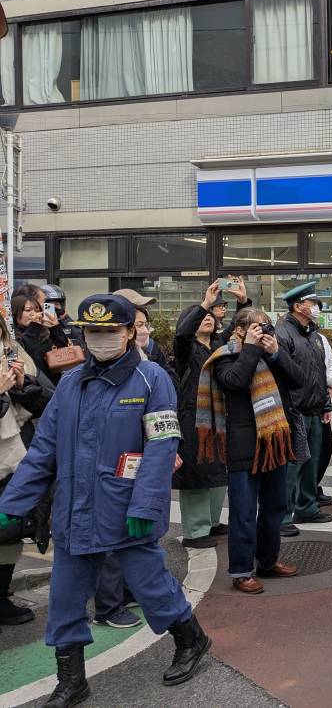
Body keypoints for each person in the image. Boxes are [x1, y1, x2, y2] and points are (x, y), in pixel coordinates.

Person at [0, 294, 210, 705]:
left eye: (109, 331)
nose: (100, 339)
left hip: (126, 509)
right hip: (74, 512)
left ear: (130, 332)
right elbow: (44, 451)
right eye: (92, 332)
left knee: (151, 587)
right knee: (64, 597)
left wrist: (146, 506)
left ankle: (192, 640)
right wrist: (13, 504)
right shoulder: (71, 384)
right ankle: (72, 679)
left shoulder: (152, 379)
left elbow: (161, 447)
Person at [201, 307, 303, 594]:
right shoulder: (224, 356)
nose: (264, 332)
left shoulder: (272, 354)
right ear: (240, 330)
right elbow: (235, 381)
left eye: (267, 327)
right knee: (243, 512)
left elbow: (298, 380)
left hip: (274, 443)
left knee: (274, 508)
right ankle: (242, 570)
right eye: (258, 328)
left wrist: (275, 353)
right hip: (242, 445)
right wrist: (250, 350)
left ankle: (268, 562)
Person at [0, 315, 53, 631]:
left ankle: (1, 597)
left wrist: (21, 385)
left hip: (12, 455)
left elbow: (43, 401)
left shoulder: (11, 349)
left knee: (9, 532)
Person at [172, 283, 229, 550]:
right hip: (193, 419)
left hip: (219, 418)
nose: (207, 318)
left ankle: (212, 521)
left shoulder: (219, 346)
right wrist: (204, 304)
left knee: (218, 471)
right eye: (201, 316)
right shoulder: (187, 350)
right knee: (196, 474)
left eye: (210, 316)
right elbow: (182, 335)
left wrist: (243, 301)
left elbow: (239, 333)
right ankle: (195, 531)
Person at [276, 281, 332, 533]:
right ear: (298, 306)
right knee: (290, 467)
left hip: (314, 408)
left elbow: (319, 373)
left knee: (311, 464)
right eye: (313, 304)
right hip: (294, 410)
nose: (317, 308)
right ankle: (282, 516)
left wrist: (326, 404)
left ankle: (306, 507)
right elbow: (281, 374)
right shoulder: (283, 333)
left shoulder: (313, 335)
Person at [13, 293, 74, 385]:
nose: (34, 314)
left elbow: (64, 351)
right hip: (33, 387)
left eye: (37, 310)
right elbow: (31, 356)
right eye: (28, 310)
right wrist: (34, 327)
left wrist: (55, 328)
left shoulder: (42, 331)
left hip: (54, 385)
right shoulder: (11, 338)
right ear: (15, 313)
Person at [313, 303, 332, 509]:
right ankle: (303, 493)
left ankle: (313, 487)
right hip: (307, 403)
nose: (316, 312)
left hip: (322, 399)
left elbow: (330, 363)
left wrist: (331, 385)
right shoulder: (289, 334)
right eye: (312, 306)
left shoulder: (321, 338)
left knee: (324, 448)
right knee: (307, 453)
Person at [41, 284, 86, 349]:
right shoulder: (35, 324)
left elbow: (80, 345)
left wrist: (59, 325)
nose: (54, 307)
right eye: (49, 305)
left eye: (56, 304)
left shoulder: (69, 324)